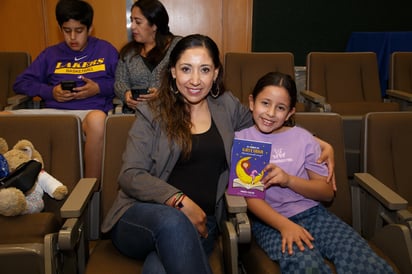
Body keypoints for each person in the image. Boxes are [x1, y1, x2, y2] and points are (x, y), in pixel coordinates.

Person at [101, 34, 336, 273]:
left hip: (204, 222)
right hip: (141, 217)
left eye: (204, 70)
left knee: (157, 270)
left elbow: (267, 123)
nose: (195, 80)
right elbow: (130, 175)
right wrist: (180, 201)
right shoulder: (151, 112)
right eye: (185, 69)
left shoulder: (226, 106)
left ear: (215, 74)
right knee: (174, 221)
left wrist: (318, 142)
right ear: (173, 71)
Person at [237, 71, 395, 273]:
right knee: (305, 265)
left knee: (360, 258)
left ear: (290, 113)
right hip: (270, 222)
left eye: (280, 108)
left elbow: (326, 192)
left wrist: (288, 180)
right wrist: (285, 226)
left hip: (314, 214)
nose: (270, 113)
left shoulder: (303, 139)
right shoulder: (246, 141)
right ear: (252, 102)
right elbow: (251, 200)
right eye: (265, 103)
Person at [9, 0, 118, 180]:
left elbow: (123, 84)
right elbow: (21, 83)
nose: (73, 37)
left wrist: (98, 88)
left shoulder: (106, 50)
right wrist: (50, 92)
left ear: (90, 29)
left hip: (88, 115)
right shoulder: (51, 54)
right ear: (61, 29)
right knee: (4, 118)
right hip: (54, 114)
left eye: (79, 31)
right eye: (67, 31)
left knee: (98, 120)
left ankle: (89, 188)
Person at [114, 0, 181, 113]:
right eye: (132, 21)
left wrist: (164, 94)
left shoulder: (179, 47)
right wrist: (125, 94)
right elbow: (120, 82)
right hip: (135, 115)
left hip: (171, 113)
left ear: (154, 25)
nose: (133, 27)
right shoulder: (128, 52)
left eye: (138, 22)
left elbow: (187, 81)